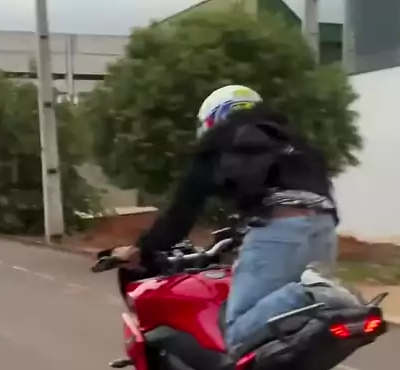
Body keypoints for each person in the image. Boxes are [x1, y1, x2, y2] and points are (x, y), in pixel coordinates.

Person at [112, 84, 338, 354]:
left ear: (213, 118)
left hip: (280, 228)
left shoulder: (221, 142)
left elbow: (181, 214)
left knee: (240, 334)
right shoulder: (292, 141)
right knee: (295, 333)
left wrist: (142, 248)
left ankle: (313, 294)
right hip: (324, 227)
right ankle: (318, 309)